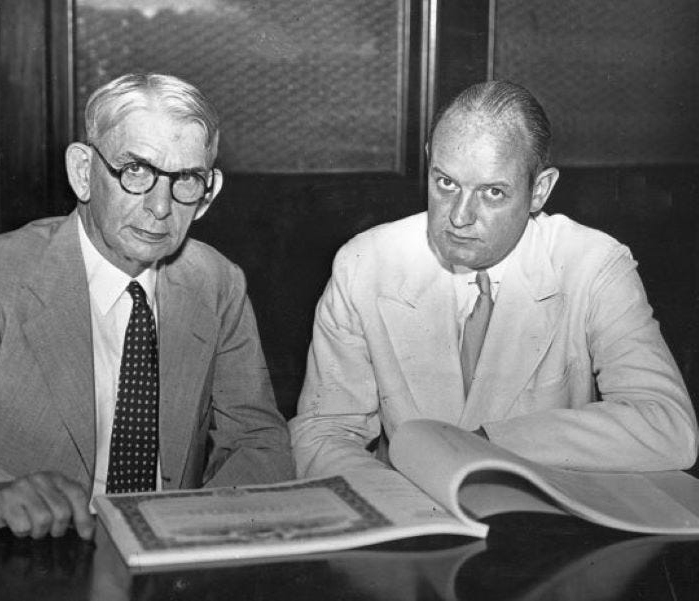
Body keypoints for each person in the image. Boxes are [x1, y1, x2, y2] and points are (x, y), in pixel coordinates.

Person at [0, 73, 294, 538]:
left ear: (208, 191)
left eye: (186, 179)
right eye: (135, 170)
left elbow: (257, 440)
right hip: (27, 553)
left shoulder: (218, 283)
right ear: (83, 172)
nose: (160, 207)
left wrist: (209, 533)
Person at [290, 80, 698, 477]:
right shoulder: (365, 262)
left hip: (542, 527)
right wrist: (394, 498)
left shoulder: (592, 265)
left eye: (492, 193)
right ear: (430, 161)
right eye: (445, 183)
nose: (459, 217)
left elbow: (669, 427)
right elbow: (323, 431)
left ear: (540, 190)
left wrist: (484, 443)